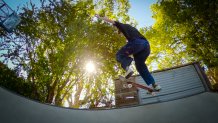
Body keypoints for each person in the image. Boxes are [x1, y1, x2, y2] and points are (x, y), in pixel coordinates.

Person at [95, 14, 161, 91]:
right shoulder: (132, 30)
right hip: (146, 47)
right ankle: (154, 84)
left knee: (119, 55)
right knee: (140, 66)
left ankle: (128, 69)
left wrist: (102, 18)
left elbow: (113, 22)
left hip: (138, 43)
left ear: (120, 30)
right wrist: (129, 56)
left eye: (120, 33)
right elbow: (133, 49)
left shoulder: (122, 26)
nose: (122, 35)